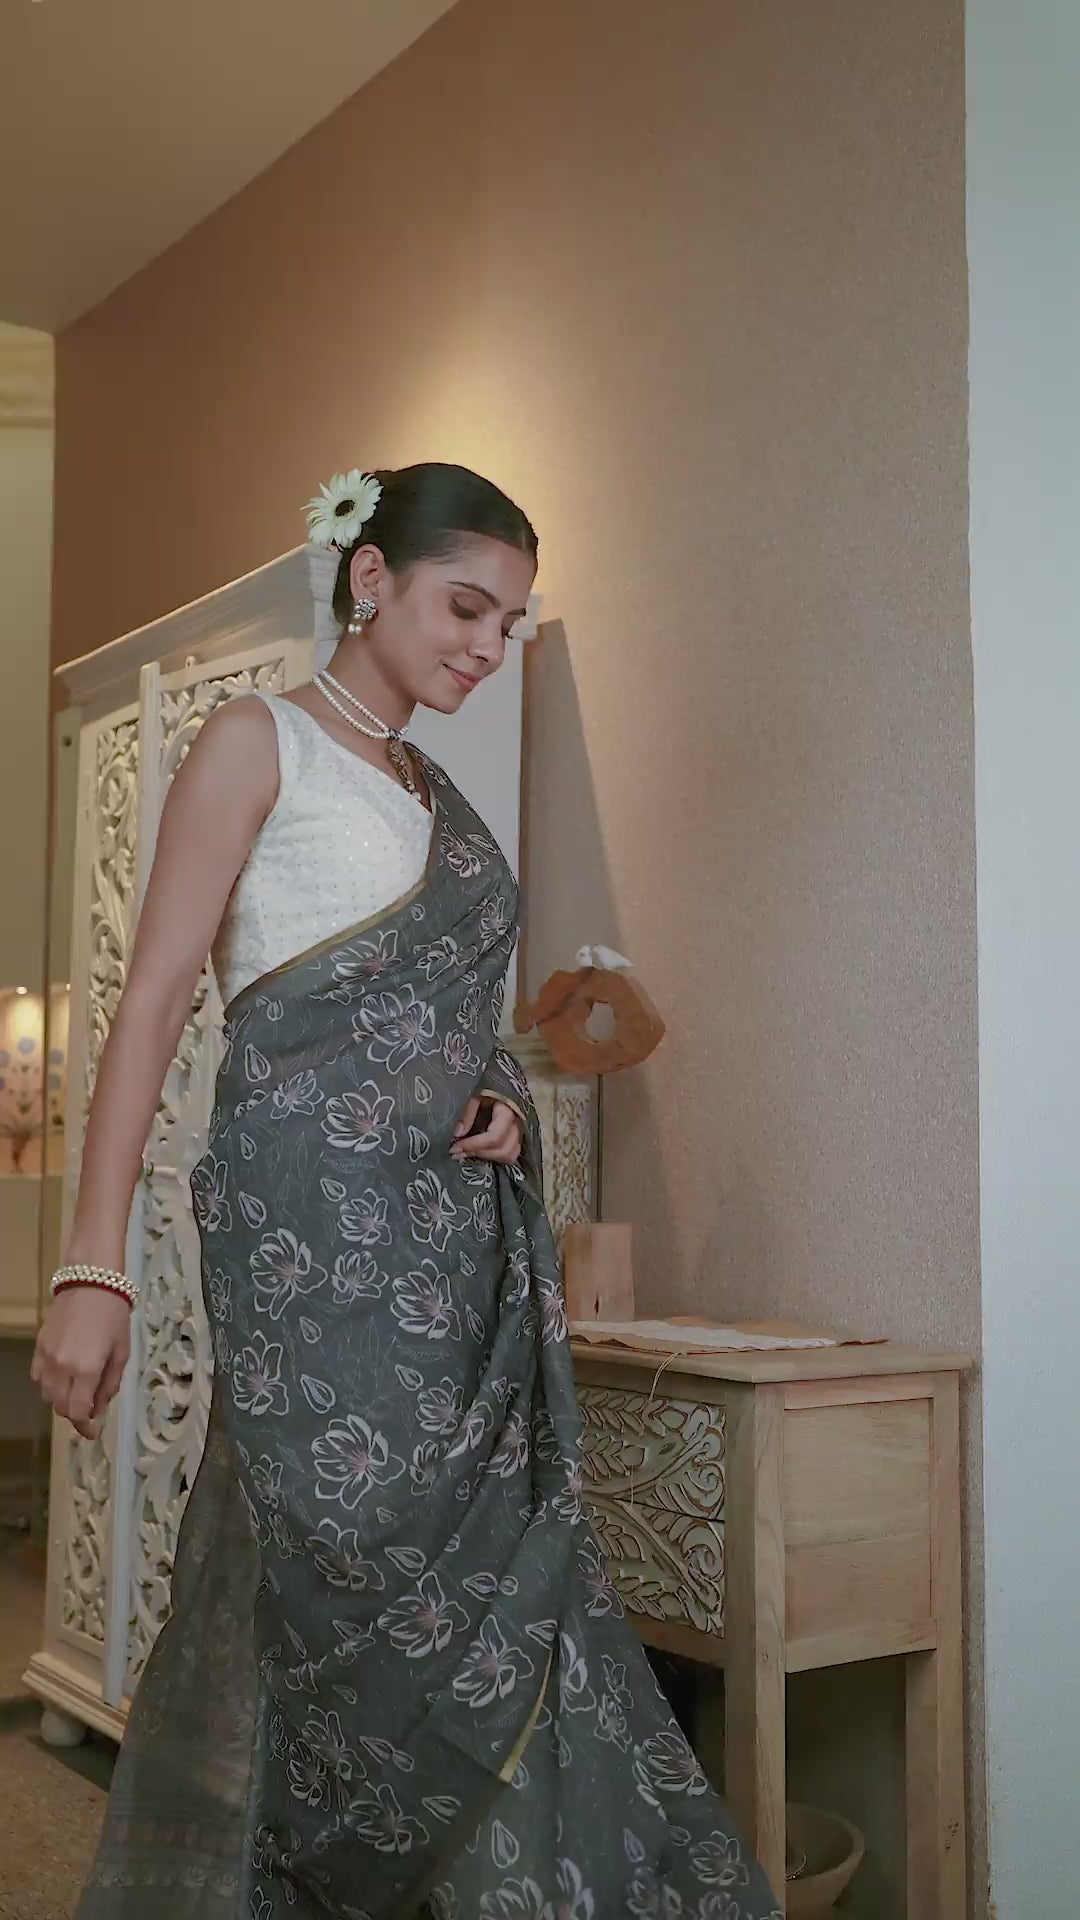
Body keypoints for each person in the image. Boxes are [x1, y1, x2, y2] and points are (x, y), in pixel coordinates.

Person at [32, 463, 780, 1920]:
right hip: (306, 1248)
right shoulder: (258, 742)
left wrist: (499, 1102)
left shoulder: (435, 793)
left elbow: (448, 1030)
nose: (487, 646)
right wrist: (92, 1261)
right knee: (356, 1575)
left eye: (509, 623)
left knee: (491, 1596)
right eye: (465, 607)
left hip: (447, 1265)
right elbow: (155, 1003)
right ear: (370, 579)